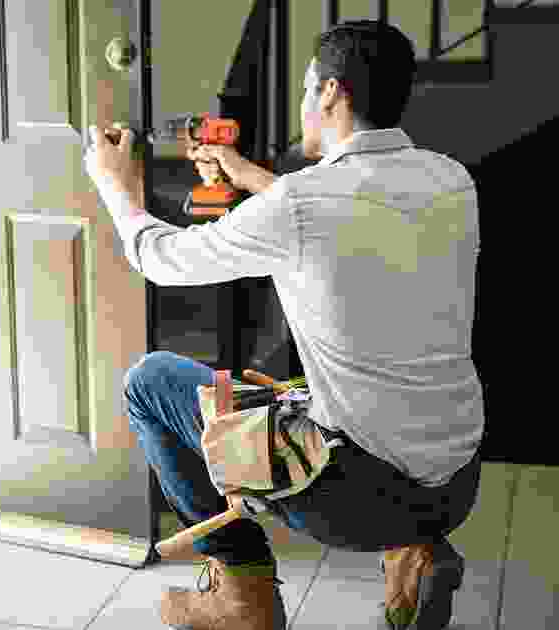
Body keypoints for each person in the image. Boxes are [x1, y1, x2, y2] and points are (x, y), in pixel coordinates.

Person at [85, 19, 483, 630]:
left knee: (150, 382)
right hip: (456, 484)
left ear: (330, 92)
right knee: (312, 394)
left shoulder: (298, 205)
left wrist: (117, 186)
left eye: (305, 88)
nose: (303, 102)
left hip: (357, 499)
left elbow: (158, 258)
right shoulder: (451, 180)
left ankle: (241, 590)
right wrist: (242, 172)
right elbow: (339, 211)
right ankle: (417, 551)